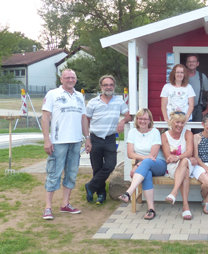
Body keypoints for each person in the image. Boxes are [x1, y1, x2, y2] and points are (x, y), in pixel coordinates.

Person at [41, 69, 91, 220]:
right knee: (54, 173)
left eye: (73, 77)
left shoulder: (79, 96)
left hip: (75, 141)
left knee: (71, 173)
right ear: (61, 79)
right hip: (58, 142)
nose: (70, 80)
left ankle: (65, 204)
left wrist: (87, 137)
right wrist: (46, 140)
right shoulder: (52, 94)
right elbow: (45, 118)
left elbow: (83, 118)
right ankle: (48, 207)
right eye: (67, 77)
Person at [85, 75, 132, 204]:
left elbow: (129, 116)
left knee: (110, 165)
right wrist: (87, 138)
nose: (108, 87)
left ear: (114, 86)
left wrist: (123, 120)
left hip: (110, 138)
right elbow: (86, 120)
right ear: (101, 87)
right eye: (105, 85)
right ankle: (101, 194)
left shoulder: (119, 101)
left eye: (111, 85)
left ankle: (90, 186)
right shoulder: (93, 102)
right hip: (95, 138)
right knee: (97, 168)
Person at [119, 109, 166, 220]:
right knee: (147, 174)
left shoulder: (155, 132)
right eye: (140, 118)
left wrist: (137, 165)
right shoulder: (132, 133)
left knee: (148, 163)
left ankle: (129, 192)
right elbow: (130, 154)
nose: (142, 121)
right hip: (145, 166)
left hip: (158, 164)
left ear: (150, 120)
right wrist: (142, 162)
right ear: (137, 120)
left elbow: (153, 156)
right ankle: (151, 209)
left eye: (145, 118)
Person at [161, 111, 196, 220]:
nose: (180, 125)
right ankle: (185, 206)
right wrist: (178, 158)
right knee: (184, 167)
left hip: (187, 164)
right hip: (172, 167)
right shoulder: (164, 136)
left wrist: (177, 157)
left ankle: (174, 192)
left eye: (182, 123)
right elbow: (167, 155)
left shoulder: (188, 133)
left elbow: (190, 152)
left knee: (185, 161)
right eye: (177, 122)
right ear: (171, 122)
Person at [186, 54, 208, 123]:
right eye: (189, 61)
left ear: (197, 63)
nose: (191, 63)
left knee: (198, 131)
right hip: (183, 108)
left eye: (194, 61)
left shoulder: (202, 77)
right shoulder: (182, 76)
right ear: (186, 64)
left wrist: (207, 109)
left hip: (197, 108)